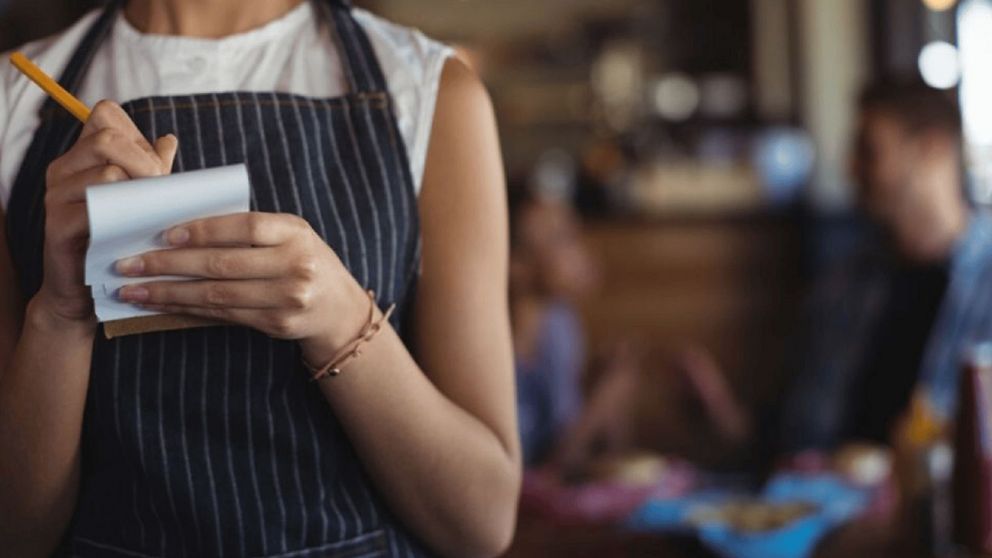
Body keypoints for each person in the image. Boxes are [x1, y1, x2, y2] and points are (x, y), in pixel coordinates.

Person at [0, 1, 520, 557]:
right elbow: (14, 536)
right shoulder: (16, 97)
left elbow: (481, 521)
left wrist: (341, 316)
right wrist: (60, 314)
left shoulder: (430, 91)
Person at [778, 79, 992, 453]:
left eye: (869, 151)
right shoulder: (844, 282)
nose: (851, 169)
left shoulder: (985, 282)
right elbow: (796, 436)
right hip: (824, 500)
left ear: (932, 149)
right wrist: (729, 427)